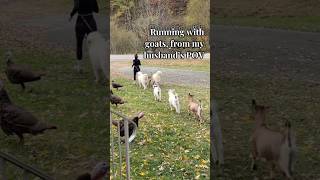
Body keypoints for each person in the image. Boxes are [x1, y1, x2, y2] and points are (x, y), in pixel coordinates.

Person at [69, 0, 99, 72]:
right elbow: (96, 10)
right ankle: (97, 66)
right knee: (94, 45)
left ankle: (79, 67)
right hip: (91, 22)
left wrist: (71, 15)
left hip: (80, 22)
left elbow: (76, 7)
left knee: (79, 44)